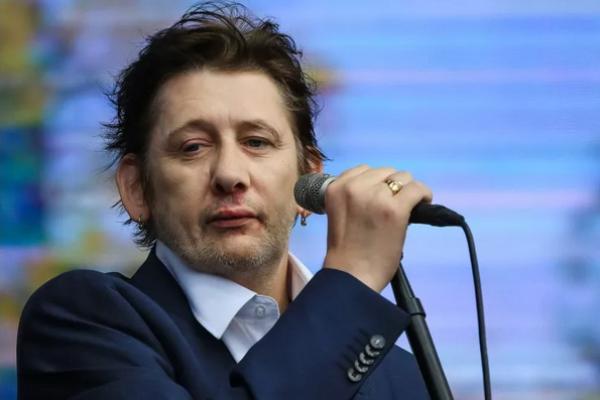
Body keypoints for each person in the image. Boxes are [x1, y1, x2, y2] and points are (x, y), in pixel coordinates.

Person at [17, 2, 432, 399]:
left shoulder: (405, 377)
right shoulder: (80, 325)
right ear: (137, 189)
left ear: (310, 179)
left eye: (256, 142)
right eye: (193, 147)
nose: (230, 175)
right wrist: (351, 282)